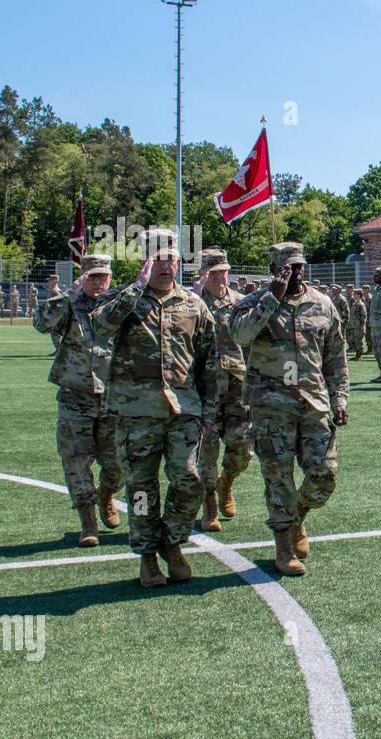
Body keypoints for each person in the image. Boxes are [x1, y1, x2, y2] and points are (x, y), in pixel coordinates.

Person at [89, 230, 219, 588]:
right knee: (142, 488)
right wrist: (135, 288)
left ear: (180, 261)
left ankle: (172, 541)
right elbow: (100, 325)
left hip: (183, 412)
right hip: (136, 414)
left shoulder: (194, 304)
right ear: (146, 262)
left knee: (190, 480)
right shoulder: (127, 298)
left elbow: (209, 362)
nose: (166, 265)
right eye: (158, 259)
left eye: (172, 258)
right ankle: (147, 555)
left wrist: (208, 413)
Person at [229, 242, 349, 576]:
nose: (295, 273)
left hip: (313, 402)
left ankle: (298, 516)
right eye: (287, 268)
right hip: (270, 405)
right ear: (273, 270)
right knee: (278, 477)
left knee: (324, 474)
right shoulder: (253, 302)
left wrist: (339, 398)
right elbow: (240, 335)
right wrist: (272, 297)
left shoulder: (322, 304)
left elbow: (335, 357)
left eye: (299, 267)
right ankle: (283, 547)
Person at [32, 253, 123, 548]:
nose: (98, 282)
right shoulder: (68, 305)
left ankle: (107, 494)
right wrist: (68, 295)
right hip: (75, 395)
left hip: (112, 396)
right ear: (82, 277)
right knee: (76, 462)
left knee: (118, 464)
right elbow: (41, 324)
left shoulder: (116, 305)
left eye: (103, 276)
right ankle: (88, 523)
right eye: (92, 276)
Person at [195, 248, 251, 533]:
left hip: (237, 386)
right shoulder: (193, 303)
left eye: (224, 272)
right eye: (214, 272)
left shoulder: (241, 303)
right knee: (206, 450)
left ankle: (226, 480)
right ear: (204, 274)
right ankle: (209, 505)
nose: (220, 277)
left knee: (243, 448)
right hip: (205, 388)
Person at [347, 286, 366, 362]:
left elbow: (364, 317)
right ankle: (357, 355)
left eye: (356, 294)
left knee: (359, 342)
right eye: (354, 294)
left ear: (359, 295)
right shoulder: (355, 304)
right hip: (353, 326)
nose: (354, 296)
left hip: (359, 327)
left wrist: (362, 326)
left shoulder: (361, 305)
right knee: (355, 341)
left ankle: (359, 356)